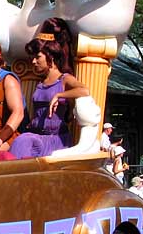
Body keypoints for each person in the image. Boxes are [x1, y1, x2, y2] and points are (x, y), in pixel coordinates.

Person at [8, 18, 90, 159]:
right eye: (32, 57)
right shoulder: (40, 82)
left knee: (23, 141)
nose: (33, 61)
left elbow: (84, 91)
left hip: (55, 140)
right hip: (36, 135)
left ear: (50, 55)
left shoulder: (64, 79)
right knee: (20, 142)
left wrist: (58, 95)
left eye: (37, 57)